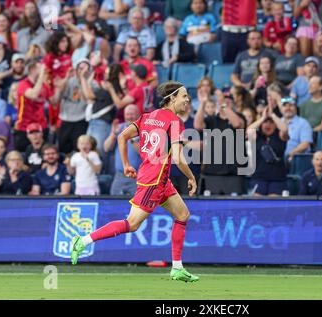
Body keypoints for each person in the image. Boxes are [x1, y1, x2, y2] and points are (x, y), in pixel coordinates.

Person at [70, 81, 200, 283]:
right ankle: (83, 240)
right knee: (132, 224)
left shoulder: (148, 117)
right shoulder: (174, 121)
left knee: (183, 214)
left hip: (157, 178)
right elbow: (179, 158)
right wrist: (191, 177)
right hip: (154, 181)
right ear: (172, 98)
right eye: (184, 95)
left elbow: (122, 136)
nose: (187, 99)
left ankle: (177, 268)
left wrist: (126, 164)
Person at [246, 105, 289, 196]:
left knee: (274, 205)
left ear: (275, 125)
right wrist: (263, 117)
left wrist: (272, 115)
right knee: (257, 204)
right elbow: (249, 130)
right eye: (265, 122)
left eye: (271, 122)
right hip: (259, 177)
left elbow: (285, 129)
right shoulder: (258, 136)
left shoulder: (279, 136)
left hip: (277, 178)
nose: (268, 125)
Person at [104, 105, 141, 196]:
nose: (129, 117)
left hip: (137, 176)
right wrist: (113, 134)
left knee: (136, 206)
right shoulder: (119, 128)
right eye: (127, 114)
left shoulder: (143, 130)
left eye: (132, 114)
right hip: (119, 176)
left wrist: (129, 138)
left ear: (138, 115)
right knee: (114, 204)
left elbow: (143, 152)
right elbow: (106, 148)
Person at [14, 61, 49, 152]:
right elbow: (33, 94)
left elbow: (54, 101)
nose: (43, 70)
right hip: (24, 126)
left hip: (41, 125)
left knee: (44, 154)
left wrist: (63, 82)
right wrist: (42, 75)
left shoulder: (43, 85)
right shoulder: (23, 84)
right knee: (24, 155)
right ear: (32, 70)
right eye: (40, 68)